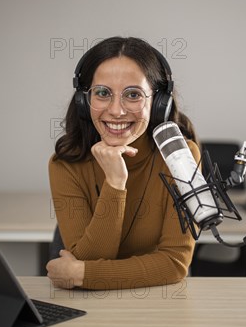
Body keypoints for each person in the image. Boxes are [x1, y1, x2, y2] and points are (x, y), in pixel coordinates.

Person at [46, 36, 200, 290]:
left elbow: (173, 264)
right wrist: (115, 183)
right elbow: (88, 260)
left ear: (159, 103)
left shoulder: (180, 158)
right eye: (103, 93)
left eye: (133, 94)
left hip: (155, 300)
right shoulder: (65, 164)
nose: (116, 110)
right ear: (84, 101)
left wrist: (83, 274)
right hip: (84, 307)